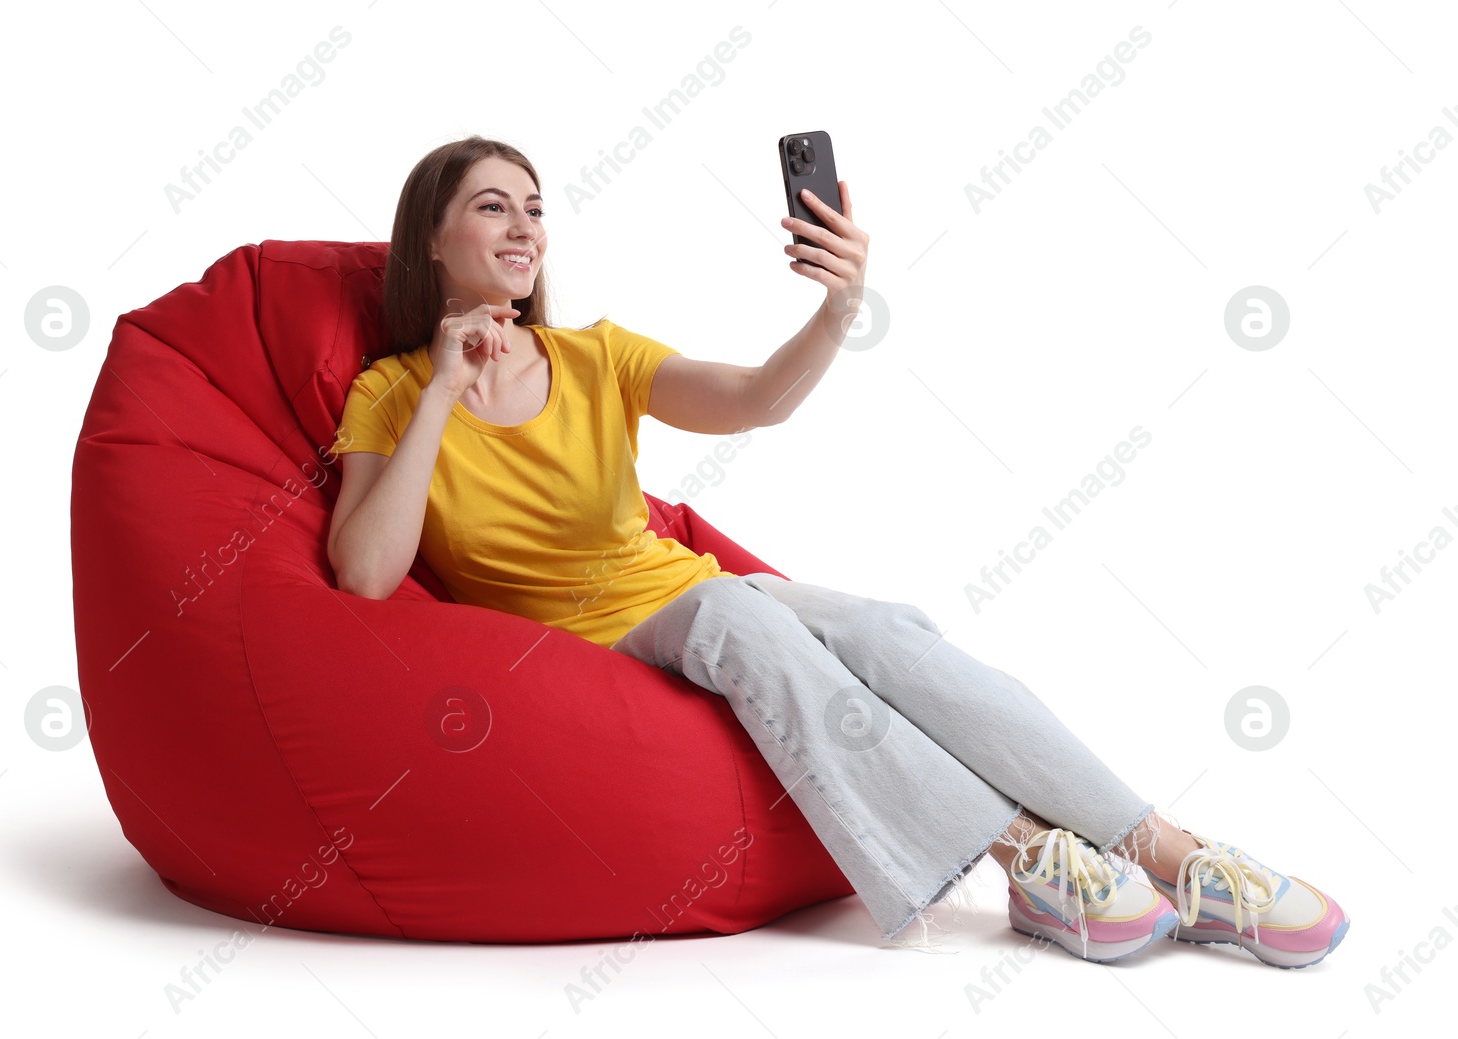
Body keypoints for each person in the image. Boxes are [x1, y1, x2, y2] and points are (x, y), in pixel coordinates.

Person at [327, 134, 1349, 967]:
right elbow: (366, 573)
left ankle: (1177, 855)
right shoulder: (388, 395)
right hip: (583, 643)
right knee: (738, 613)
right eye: (493, 206)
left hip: (691, 595)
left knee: (880, 630)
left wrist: (836, 309)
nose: (525, 227)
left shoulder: (593, 354)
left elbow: (753, 400)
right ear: (430, 238)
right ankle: (1031, 857)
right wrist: (445, 390)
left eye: (536, 206)